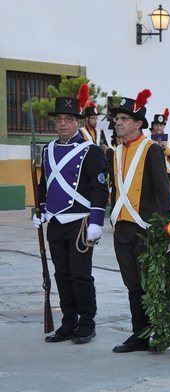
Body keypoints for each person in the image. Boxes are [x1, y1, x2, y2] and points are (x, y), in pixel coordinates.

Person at [34, 94, 108, 344]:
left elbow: (99, 188)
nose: (63, 124)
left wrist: (96, 220)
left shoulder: (91, 151)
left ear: (77, 122)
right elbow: (44, 183)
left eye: (68, 119)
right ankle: (68, 322)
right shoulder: (48, 150)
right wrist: (42, 209)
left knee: (80, 275)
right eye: (59, 120)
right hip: (55, 221)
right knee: (61, 274)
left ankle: (86, 322)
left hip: (80, 223)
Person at [109, 90, 170, 353]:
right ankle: (139, 333)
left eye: (125, 118)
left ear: (138, 124)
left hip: (145, 226)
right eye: (118, 118)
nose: (119, 122)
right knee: (132, 284)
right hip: (122, 225)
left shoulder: (150, 150)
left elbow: (163, 188)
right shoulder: (115, 152)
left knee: (151, 283)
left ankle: (157, 332)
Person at [150, 109, 170, 187]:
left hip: (167, 172)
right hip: (152, 172)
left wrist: (165, 149)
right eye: (156, 125)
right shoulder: (148, 140)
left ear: (164, 126)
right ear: (153, 126)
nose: (158, 127)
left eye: (161, 125)